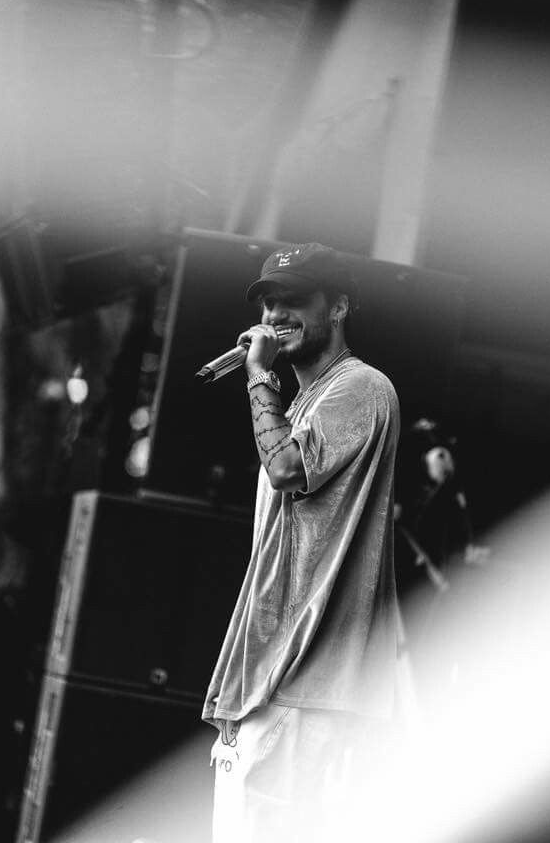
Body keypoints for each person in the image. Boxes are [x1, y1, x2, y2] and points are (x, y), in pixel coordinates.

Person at [202, 242, 402, 843]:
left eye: (295, 302)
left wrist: (258, 377)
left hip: (306, 679)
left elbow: (287, 468)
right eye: (268, 304)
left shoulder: (362, 389)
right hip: (271, 676)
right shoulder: (308, 400)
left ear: (339, 305)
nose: (275, 315)